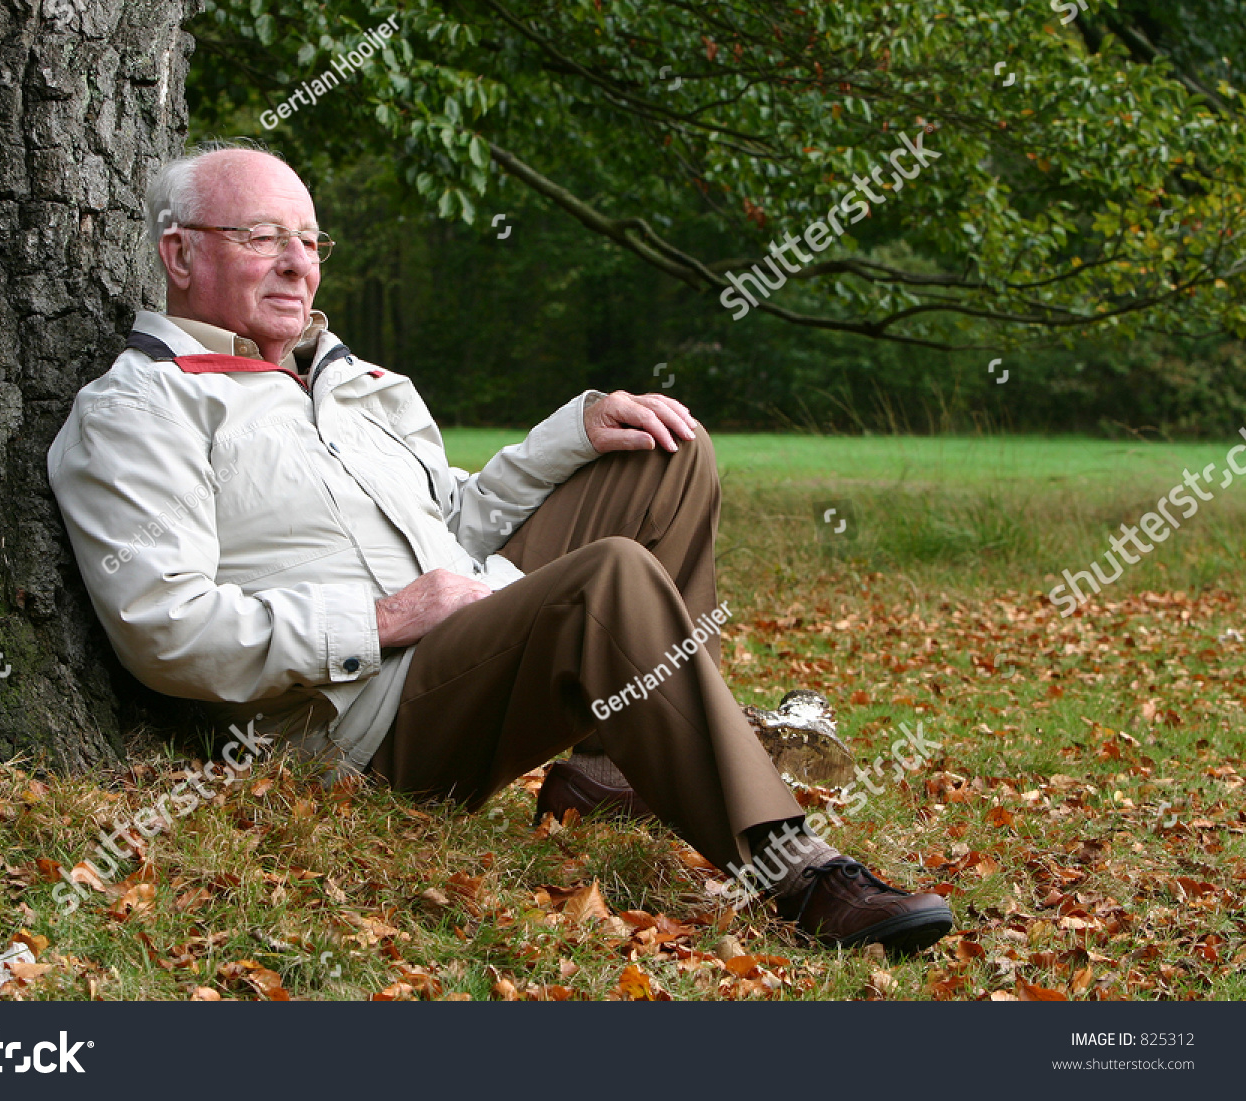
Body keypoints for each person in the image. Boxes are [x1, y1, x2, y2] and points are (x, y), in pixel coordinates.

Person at [47, 142, 953, 956]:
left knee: (668, 456)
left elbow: (454, 519)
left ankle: (604, 773)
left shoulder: (354, 383)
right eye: (261, 237)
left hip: (462, 627)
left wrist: (576, 431)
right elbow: (162, 627)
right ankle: (790, 866)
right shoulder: (140, 411)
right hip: (365, 724)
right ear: (179, 253)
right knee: (609, 582)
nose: (297, 266)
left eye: (311, 242)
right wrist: (383, 617)